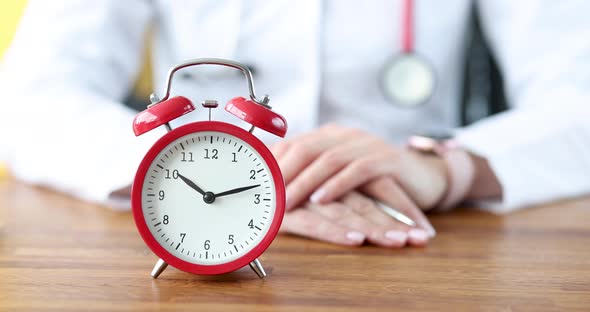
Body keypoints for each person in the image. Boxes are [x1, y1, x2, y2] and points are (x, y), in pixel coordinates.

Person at [1, 0, 589, 248]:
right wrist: (187, 170)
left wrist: (446, 168)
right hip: (207, 222)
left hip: (410, 223)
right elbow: (27, 98)